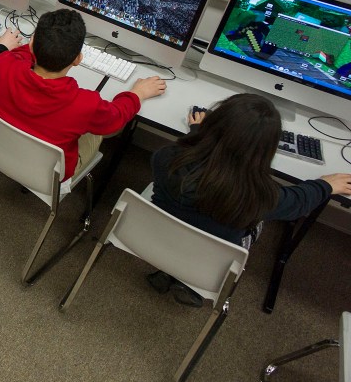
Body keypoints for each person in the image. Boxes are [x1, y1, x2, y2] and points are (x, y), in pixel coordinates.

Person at [149, 94, 351, 305]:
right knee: (258, 222)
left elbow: (200, 159)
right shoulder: (259, 196)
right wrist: (325, 185)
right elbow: (297, 202)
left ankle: (168, 269)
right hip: (210, 259)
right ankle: (194, 287)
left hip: (157, 236)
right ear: (264, 151)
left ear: (213, 123)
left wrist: (197, 131)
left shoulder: (166, 156)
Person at [0, 8, 166, 180]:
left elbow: (17, 56)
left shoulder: (2, 63)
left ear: (31, 45)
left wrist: (37, 45)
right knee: (99, 130)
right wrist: (137, 94)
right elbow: (117, 117)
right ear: (78, 59)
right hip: (48, 174)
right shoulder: (86, 104)